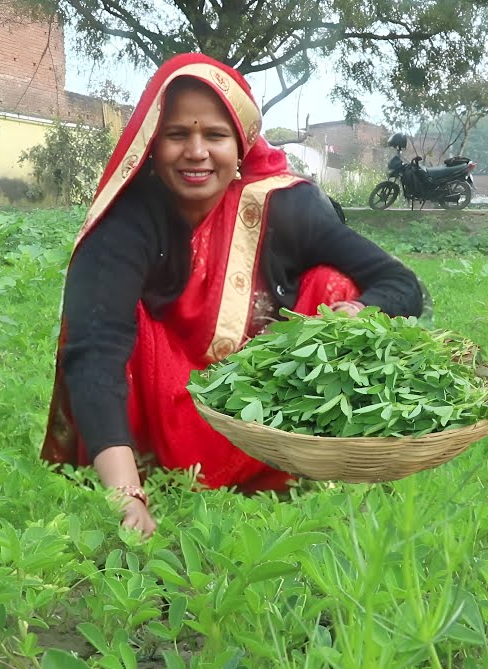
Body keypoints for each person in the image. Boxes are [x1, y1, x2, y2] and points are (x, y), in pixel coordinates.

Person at [41, 53, 431, 538]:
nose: (197, 152)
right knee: (115, 320)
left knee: (336, 286)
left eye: (216, 136)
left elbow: (400, 284)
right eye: (178, 134)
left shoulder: (287, 205)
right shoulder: (126, 222)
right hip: (162, 417)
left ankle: (317, 466)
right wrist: (127, 499)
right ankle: (147, 480)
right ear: (152, 142)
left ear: (242, 143)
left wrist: (353, 314)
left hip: (268, 409)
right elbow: (96, 356)